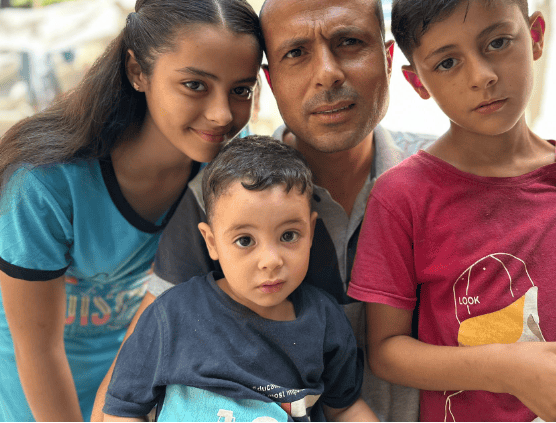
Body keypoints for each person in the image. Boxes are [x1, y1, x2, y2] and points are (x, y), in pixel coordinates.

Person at [92, 0, 556, 422]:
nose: (327, 74)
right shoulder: (224, 197)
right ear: (269, 81)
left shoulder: (451, 181)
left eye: (348, 43)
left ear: (387, 60)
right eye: (296, 54)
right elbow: (138, 366)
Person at [347, 0, 556, 422]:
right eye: (447, 62)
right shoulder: (402, 196)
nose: (482, 75)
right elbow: (387, 351)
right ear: (417, 82)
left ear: (537, 36)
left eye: (498, 43)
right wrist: (509, 369)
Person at [0, 0, 263, 421]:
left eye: (240, 90)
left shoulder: (224, 166)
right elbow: (37, 349)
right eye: (195, 85)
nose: (221, 113)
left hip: (137, 369)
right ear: (138, 71)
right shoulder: (44, 185)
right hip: (42, 381)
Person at [101, 136, 377, 422]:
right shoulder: (170, 317)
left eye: (289, 236)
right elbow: (123, 410)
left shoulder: (325, 324)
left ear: (310, 231)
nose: (271, 261)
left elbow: (345, 408)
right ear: (211, 242)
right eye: (245, 240)